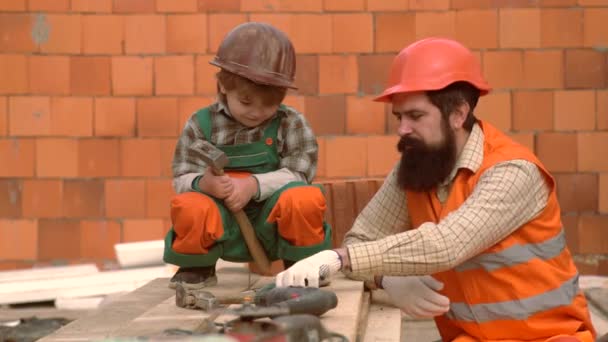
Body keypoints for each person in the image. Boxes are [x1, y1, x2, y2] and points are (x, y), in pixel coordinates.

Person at [275, 37, 596, 342]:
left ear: (458, 114)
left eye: (416, 116)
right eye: (399, 116)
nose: (402, 129)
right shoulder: (416, 167)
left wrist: (339, 257)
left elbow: (447, 244)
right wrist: (388, 279)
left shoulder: (513, 171)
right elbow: (362, 239)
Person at [163, 22, 331, 290]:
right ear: (223, 87)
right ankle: (196, 268)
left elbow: (300, 174)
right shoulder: (201, 124)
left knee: (304, 198)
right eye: (246, 101)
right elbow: (182, 177)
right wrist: (203, 184)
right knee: (190, 205)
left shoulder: (291, 123)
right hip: (223, 227)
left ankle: (301, 266)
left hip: (273, 227)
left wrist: (252, 185)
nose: (256, 112)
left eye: (269, 104)